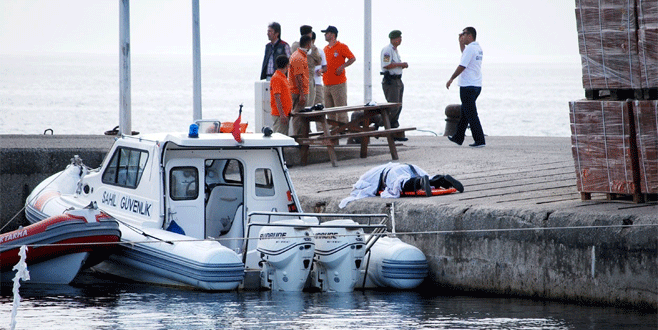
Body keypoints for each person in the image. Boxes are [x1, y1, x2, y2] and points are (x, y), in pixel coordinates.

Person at [339, 162, 463, 208]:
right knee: (427, 178)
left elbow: (360, 192)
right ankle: (441, 180)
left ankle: (420, 182)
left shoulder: (365, 179)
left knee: (400, 184)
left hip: (391, 173)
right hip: (409, 165)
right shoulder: (376, 170)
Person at [446, 26, 485, 147]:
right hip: (476, 85)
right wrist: (460, 43)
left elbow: (462, 65)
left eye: (464, 34)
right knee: (465, 112)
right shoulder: (477, 48)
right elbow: (465, 55)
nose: (462, 36)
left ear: (470, 35)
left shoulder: (471, 49)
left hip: (468, 86)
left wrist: (451, 78)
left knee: (471, 114)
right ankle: (458, 137)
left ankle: (480, 140)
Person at [321, 25, 356, 127]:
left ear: (332, 35)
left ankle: (344, 129)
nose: (325, 35)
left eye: (326, 33)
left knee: (341, 110)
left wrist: (342, 66)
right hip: (326, 84)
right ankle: (333, 130)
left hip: (338, 84)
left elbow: (352, 58)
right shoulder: (325, 49)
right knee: (329, 110)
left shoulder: (342, 47)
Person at [381, 30, 409, 142]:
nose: (400, 40)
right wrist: (401, 64)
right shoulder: (387, 50)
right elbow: (386, 65)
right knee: (393, 107)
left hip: (397, 80)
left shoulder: (395, 51)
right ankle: (380, 122)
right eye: (398, 38)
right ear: (393, 39)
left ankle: (394, 129)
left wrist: (400, 66)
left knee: (398, 106)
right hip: (391, 81)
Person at [291, 25, 324, 108]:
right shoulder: (312, 47)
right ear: (310, 35)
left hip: (294, 80)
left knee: (295, 107)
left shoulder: (294, 45)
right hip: (308, 78)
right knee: (308, 105)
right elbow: (319, 61)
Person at [288, 35, 312, 136]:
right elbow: (298, 77)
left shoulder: (298, 55)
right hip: (298, 91)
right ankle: (297, 137)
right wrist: (302, 94)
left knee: (300, 115)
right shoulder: (299, 57)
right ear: (308, 44)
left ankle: (301, 135)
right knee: (298, 115)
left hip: (297, 90)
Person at [269, 55, 293, 135]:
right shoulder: (277, 78)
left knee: (284, 136)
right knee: (279, 136)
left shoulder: (283, 77)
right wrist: (282, 114)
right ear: (287, 65)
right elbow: (277, 97)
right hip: (279, 115)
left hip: (285, 113)